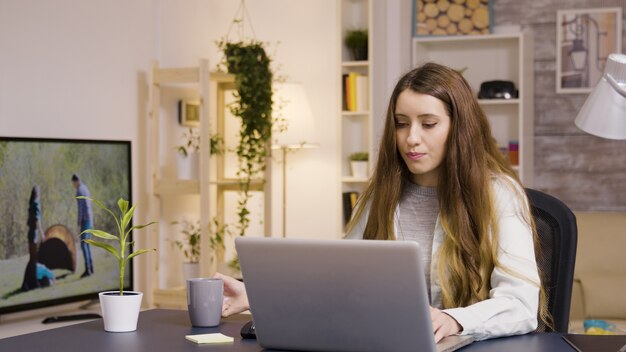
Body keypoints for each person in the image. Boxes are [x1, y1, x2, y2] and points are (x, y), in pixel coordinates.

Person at [215, 63, 549, 342]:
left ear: (459, 128)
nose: (411, 138)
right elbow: (337, 283)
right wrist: (255, 297)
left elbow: (520, 304)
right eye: (401, 124)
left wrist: (453, 320)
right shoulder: (380, 195)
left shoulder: (498, 193)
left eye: (428, 124)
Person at [21, 185, 46, 291]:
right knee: (34, 260)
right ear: (38, 194)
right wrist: (42, 233)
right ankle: (32, 284)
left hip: (30, 233)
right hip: (34, 234)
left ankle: (28, 284)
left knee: (32, 260)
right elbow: (37, 220)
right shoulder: (36, 203)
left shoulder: (31, 204)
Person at [72, 174, 94, 277]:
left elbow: (80, 210)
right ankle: (91, 267)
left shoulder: (79, 191)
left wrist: (78, 224)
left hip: (85, 221)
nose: (73, 185)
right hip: (90, 219)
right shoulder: (85, 188)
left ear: (75, 181)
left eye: (73, 183)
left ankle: (88, 270)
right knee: (87, 244)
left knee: (83, 244)